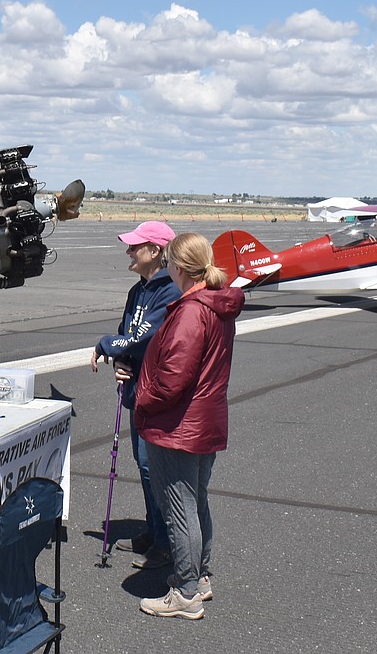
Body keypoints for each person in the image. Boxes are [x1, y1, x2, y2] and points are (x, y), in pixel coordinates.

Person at [133, 232, 245, 620]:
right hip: (205, 419)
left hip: (179, 425)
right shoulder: (216, 305)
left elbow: (173, 378)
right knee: (196, 503)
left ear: (178, 267)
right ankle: (199, 577)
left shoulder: (192, 310)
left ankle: (184, 590)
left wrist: (142, 399)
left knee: (180, 508)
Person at [91, 221, 181, 569]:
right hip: (136, 388)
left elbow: (146, 335)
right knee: (143, 465)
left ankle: (168, 541)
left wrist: (106, 346)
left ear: (156, 251)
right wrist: (121, 360)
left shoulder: (169, 290)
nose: (129, 251)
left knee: (153, 466)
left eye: (136, 246)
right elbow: (127, 334)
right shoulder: (137, 290)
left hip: (157, 392)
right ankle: (155, 531)